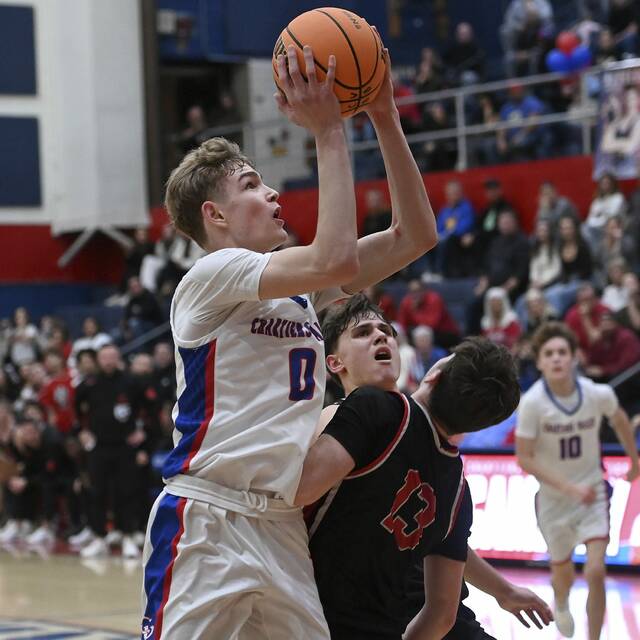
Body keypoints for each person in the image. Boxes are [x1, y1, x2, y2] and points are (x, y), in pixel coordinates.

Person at [140, 43, 437, 639]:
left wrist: (383, 116)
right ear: (216, 215)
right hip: (207, 517)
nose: (273, 194)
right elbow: (333, 256)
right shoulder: (210, 277)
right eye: (252, 184)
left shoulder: (302, 293)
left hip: (280, 525)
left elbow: (416, 235)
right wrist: (328, 130)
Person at [295, 295, 547, 639]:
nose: (382, 336)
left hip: (383, 610)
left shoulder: (376, 413)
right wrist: (502, 590)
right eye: (364, 332)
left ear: (433, 375)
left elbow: (292, 493)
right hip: (400, 613)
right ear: (335, 363)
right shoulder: (456, 481)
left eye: (386, 330)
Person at [515, 321, 639, 640]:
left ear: (574, 358)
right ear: (540, 361)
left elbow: (621, 420)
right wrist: (569, 488)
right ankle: (560, 601)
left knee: (596, 571)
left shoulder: (598, 393)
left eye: (562, 352)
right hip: (554, 501)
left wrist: (634, 460)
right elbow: (524, 457)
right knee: (563, 574)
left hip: (593, 493)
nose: (556, 358)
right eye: (549, 353)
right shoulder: (532, 403)